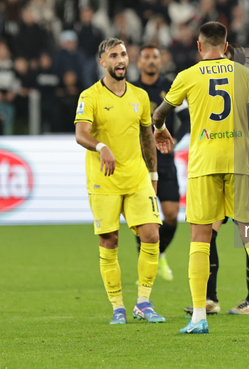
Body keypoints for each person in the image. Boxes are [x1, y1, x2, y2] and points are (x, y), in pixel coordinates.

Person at [152, 22, 249, 334]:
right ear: (225, 47)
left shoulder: (187, 76)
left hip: (204, 164)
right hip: (240, 162)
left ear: (199, 47)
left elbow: (159, 114)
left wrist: (160, 130)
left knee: (200, 238)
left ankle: (199, 315)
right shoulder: (243, 75)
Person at [183, 43, 249, 316]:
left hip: (245, 170)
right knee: (210, 232)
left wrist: (248, 150)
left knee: (248, 234)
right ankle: (209, 299)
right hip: (219, 169)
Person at [74, 38, 166, 325]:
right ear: (103, 62)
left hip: (137, 177)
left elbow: (147, 138)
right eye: (113, 55)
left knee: (151, 234)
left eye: (124, 54)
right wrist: (102, 147)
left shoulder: (140, 95)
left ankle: (143, 302)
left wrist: (153, 175)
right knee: (109, 239)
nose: (120, 60)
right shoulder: (90, 96)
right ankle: (118, 307)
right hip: (105, 181)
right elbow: (81, 133)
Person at [133, 45, 191, 281]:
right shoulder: (131, 89)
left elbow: (187, 119)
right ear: (139, 63)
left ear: (161, 61)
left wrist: (175, 139)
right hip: (138, 162)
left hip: (165, 161)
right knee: (143, 217)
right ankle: (146, 265)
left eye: (155, 57)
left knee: (170, 215)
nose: (150, 61)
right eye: (146, 57)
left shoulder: (171, 87)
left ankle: (160, 254)